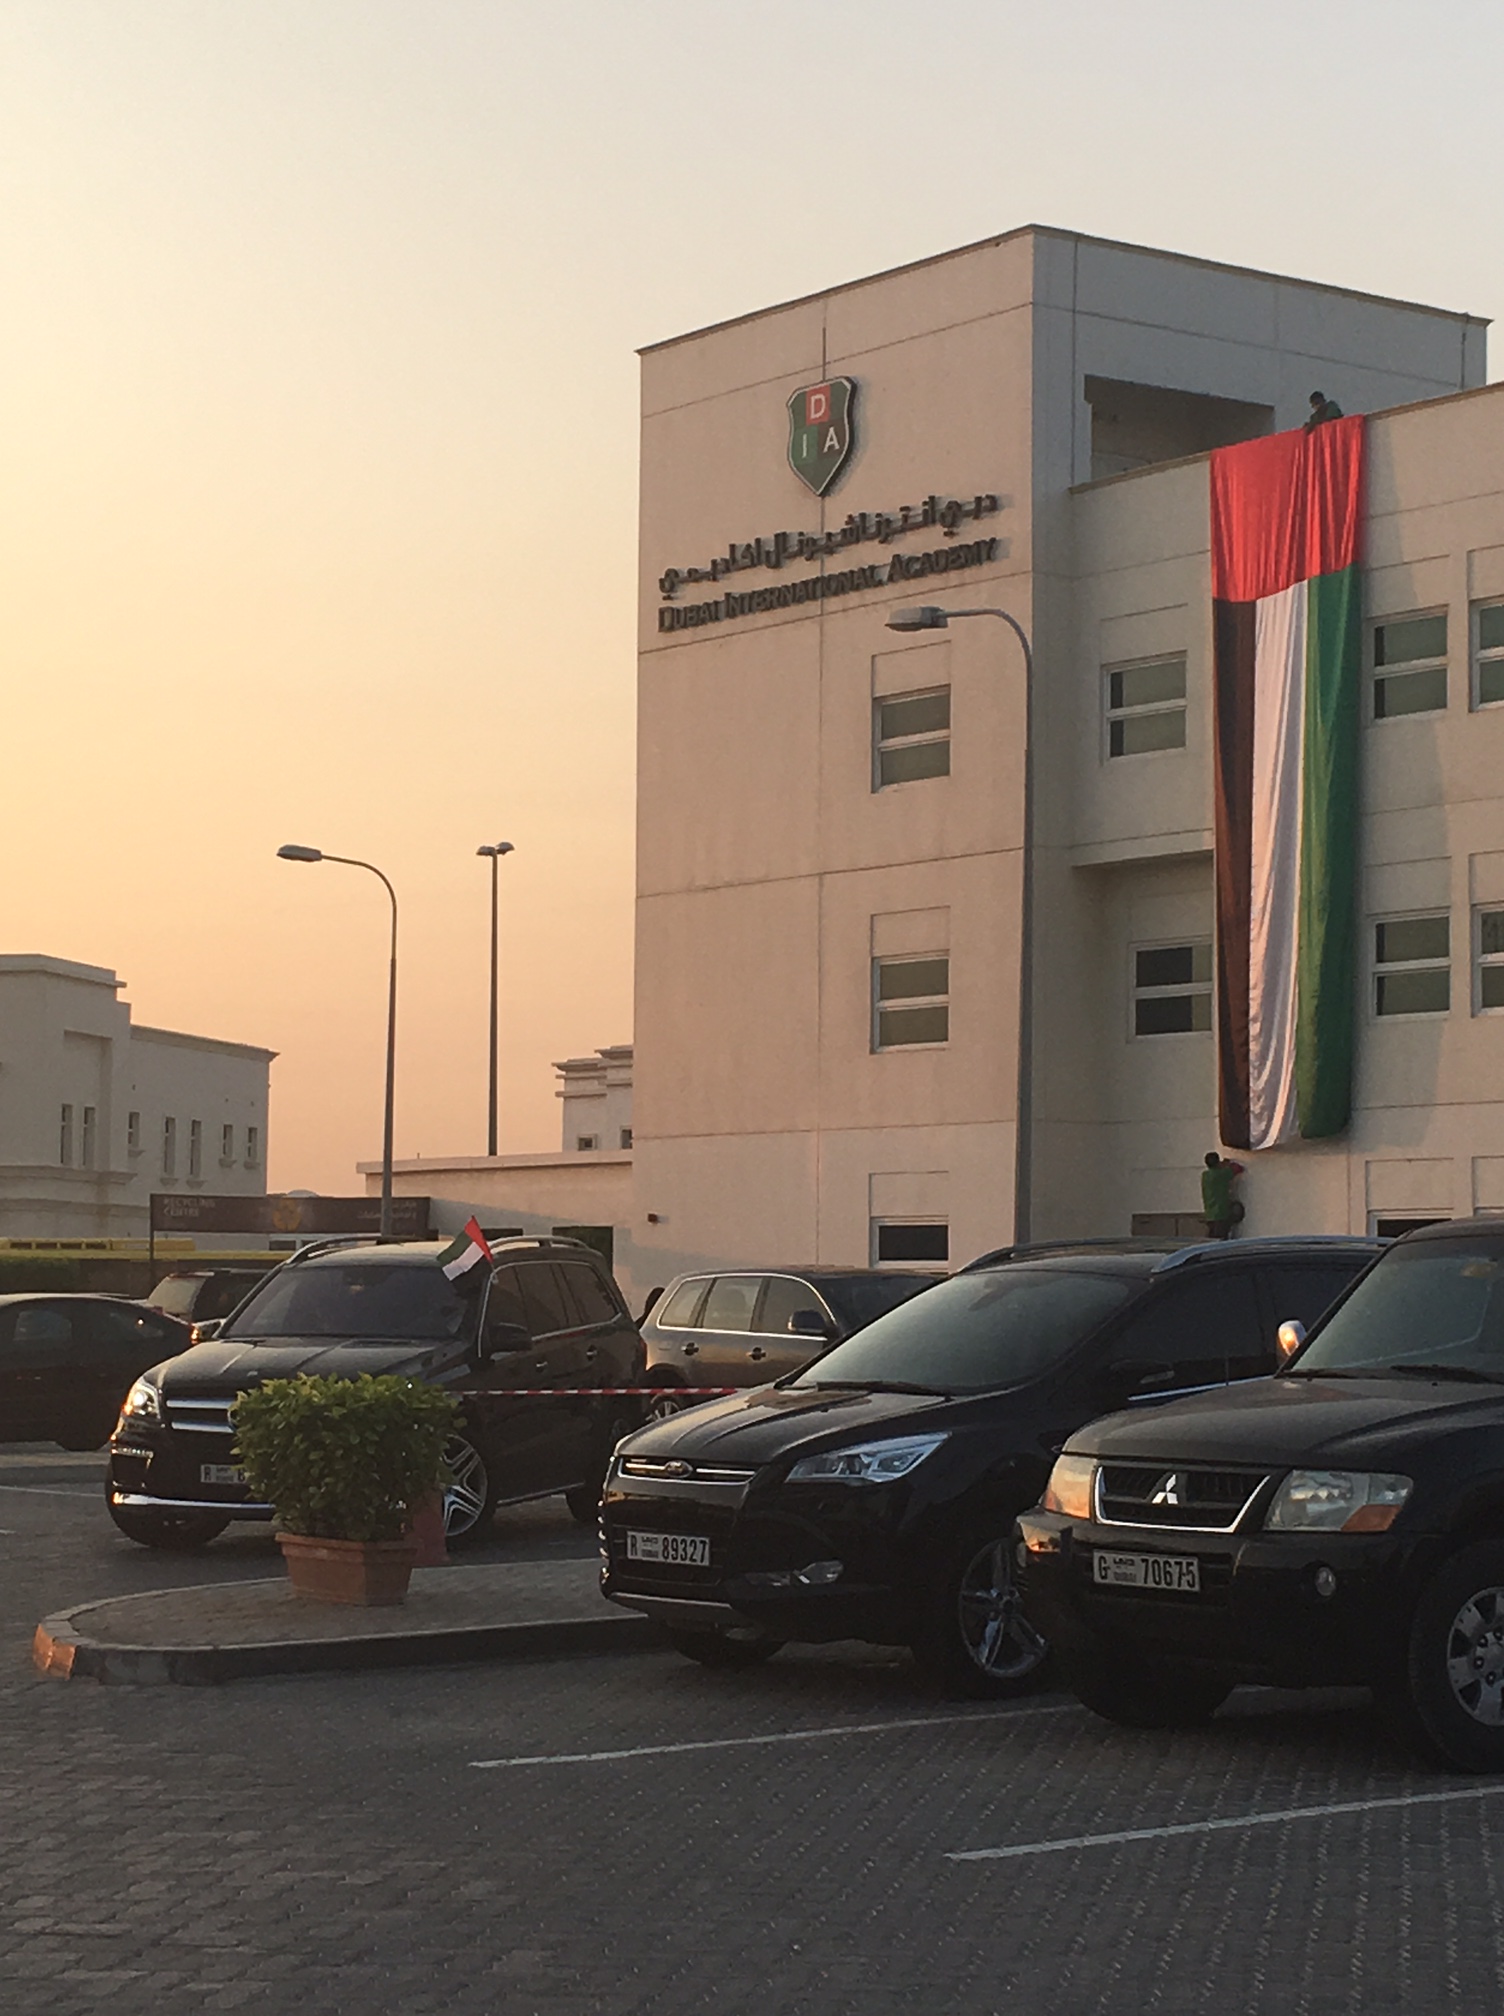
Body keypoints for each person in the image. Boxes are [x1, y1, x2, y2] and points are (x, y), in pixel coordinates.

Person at [1201, 1151, 1246, 1240]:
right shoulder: (1221, 1174)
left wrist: (1222, 1165)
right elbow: (1238, 1169)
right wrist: (1228, 1164)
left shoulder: (1205, 1175)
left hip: (1210, 1215)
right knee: (1221, 1240)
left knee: (1212, 1241)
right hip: (1221, 1214)